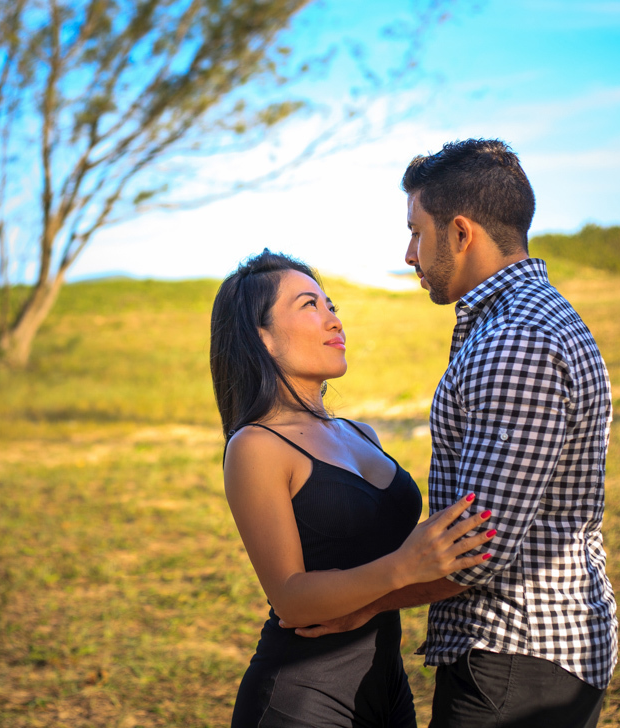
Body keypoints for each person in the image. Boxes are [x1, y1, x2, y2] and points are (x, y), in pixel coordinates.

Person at [282, 140, 618, 727]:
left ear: (461, 233)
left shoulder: (516, 340)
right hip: (530, 653)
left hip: (515, 653)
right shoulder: (527, 318)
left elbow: (476, 550)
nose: (409, 253)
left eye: (417, 231)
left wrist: (357, 607)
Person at [210, 250, 498, 728]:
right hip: (301, 698)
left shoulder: (361, 433)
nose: (334, 321)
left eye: (332, 306)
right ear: (261, 338)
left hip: (387, 691)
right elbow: (291, 598)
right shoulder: (257, 445)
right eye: (310, 307)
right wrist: (403, 566)